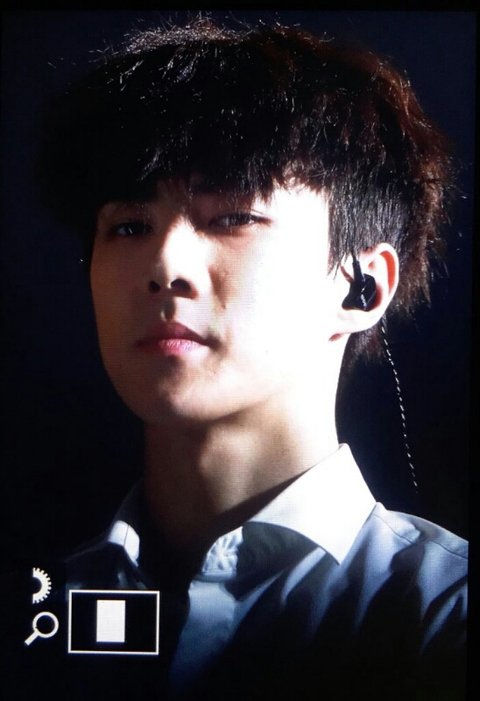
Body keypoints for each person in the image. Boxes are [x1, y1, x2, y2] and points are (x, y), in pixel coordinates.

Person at [8, 17, 467, 701]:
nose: (165, 264)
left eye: (232, 217)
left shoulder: (447, 617)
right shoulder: (31, 615)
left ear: (362, 286)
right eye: (129, 225)